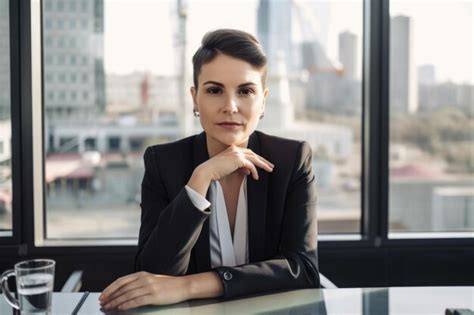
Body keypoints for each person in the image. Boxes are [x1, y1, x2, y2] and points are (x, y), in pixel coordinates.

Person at [99, 29, 319, 311]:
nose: (230, 106)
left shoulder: (291, 160)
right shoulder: (163, 162)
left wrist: (189, 286)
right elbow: (153, 272)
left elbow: (303, 270)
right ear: (195, 98)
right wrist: (199, 181)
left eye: (245, 91)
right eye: (215, 90)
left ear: (263, 100)